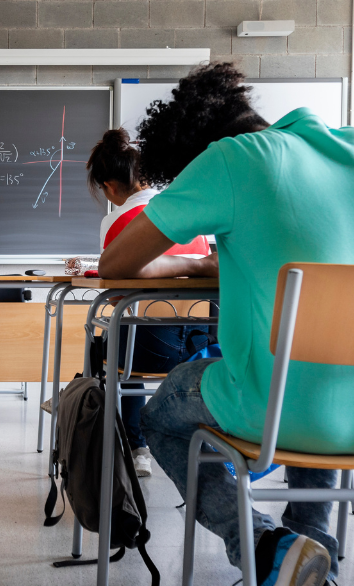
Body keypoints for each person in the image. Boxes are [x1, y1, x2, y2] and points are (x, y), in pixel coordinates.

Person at [99, 62, 354, 586]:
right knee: (322, 370)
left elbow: (115, 264)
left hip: (287, 408)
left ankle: (267, 547)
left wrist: (208, 263)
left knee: (165, 413)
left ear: (199, 151)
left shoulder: (233, 159)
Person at [86, 128, 212, 476]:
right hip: (198, 346)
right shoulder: (195, 221)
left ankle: (137, 446)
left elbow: (115, 289)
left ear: (110, 187)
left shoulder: (116, 223)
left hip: (148, 350)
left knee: (114, 335)